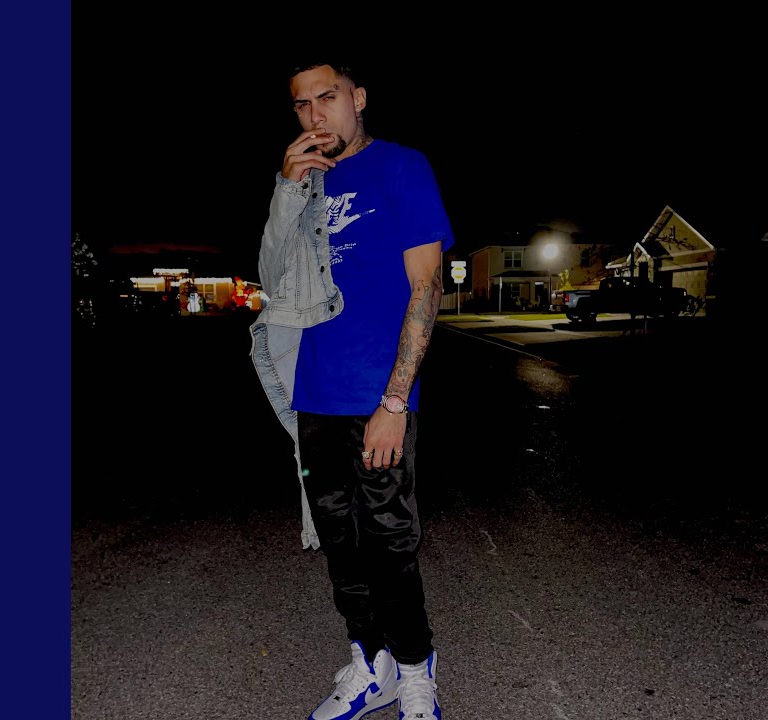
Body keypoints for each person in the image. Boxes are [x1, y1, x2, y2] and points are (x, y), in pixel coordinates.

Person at [248, 59, 451, 720]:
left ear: (358, 98)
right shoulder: (304, 184)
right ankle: (371, 661)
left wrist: (395, 402)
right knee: (340, 544)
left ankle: (416, 668)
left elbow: (426, 286)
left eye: (328, 97)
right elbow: (271, 277)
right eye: (303, 105)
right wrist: (286, 187)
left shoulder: (402, 167)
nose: (316, 115)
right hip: (313, 396)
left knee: (389, 541)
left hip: (377, 395)